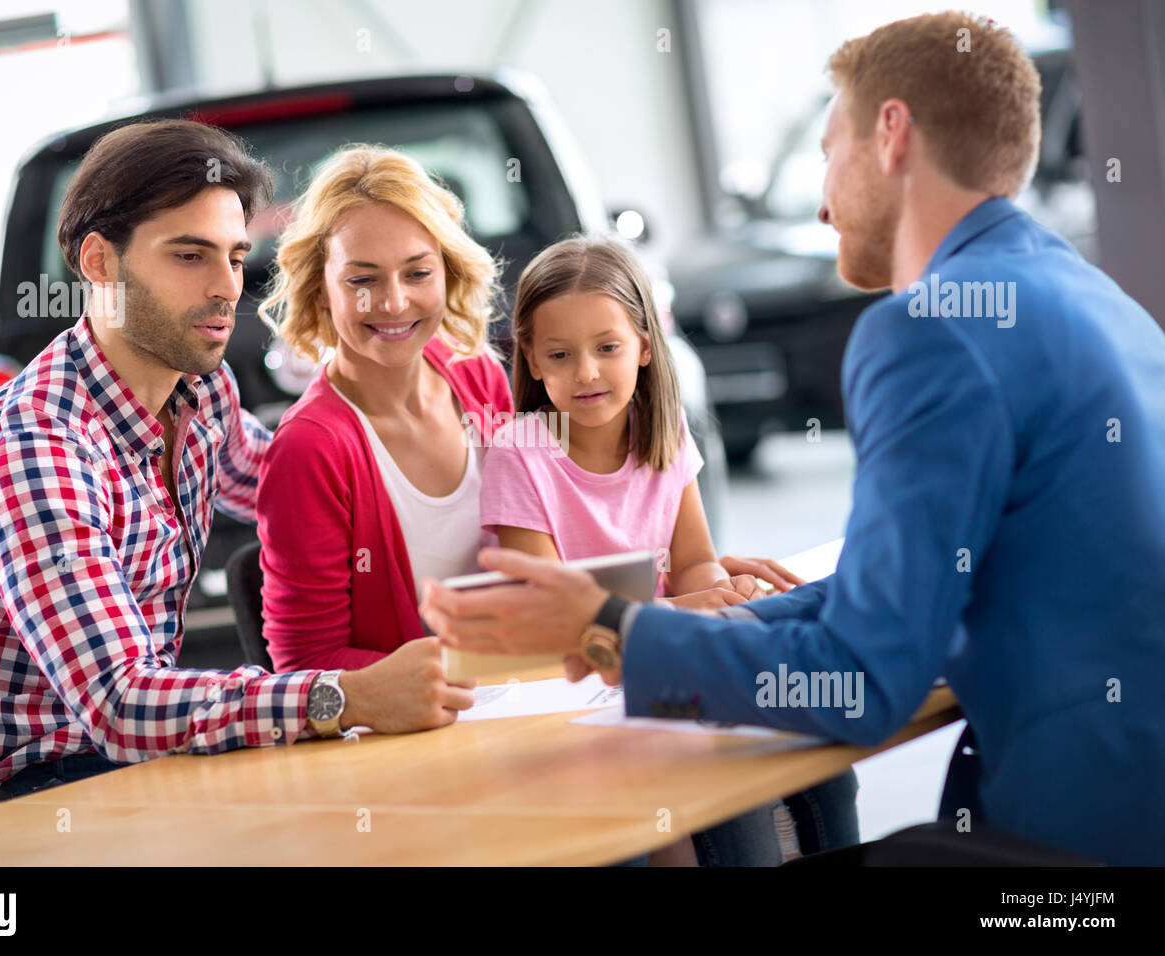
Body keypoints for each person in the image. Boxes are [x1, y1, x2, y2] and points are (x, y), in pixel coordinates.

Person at [421, 11, 1165, 866]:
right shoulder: (1090, 294)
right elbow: (925, 587)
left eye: (826, 152)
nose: (819, 200)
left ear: (890, 136)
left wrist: (613, 630)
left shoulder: (930, 331)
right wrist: (698, 616)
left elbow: (860, 683)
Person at [0, 121, 474, 797]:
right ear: (99, 262)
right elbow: (122, 704)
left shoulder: (199, 393)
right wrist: (347, 697)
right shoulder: (34, 450)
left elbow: (295, 481)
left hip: (143, 764)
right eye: (189, 256)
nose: (226, 287)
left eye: (235, 257)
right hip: (24, 791)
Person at [480, 235, 857, 866]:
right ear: (533, 361)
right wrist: (689, 610)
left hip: (670, 670)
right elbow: (554, 620)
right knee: (740, 823)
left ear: (646, 348)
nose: (588, 372)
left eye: (608, 348)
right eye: (561, 354)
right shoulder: (520, 452)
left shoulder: (665, 430)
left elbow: (692, 563)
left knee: (829, 770)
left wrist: (722, 590)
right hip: (584, 690)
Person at [254, 145, 511, 700]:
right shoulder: (310, 449)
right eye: (362, 280)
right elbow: (303, 663)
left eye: (418, 272)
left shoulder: (481, 377)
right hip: (407, 739)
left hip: (521, 695)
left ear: (447, 271)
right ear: (321, 287)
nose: (394, 303)